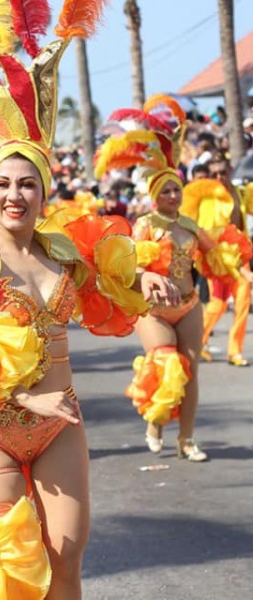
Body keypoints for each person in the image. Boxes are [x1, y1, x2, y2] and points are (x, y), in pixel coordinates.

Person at [0, 5, 177, 597]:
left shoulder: (68, 248)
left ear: (44, 190)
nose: (14, 195)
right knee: (4, 575)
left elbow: (113, 284)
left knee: (64, 565)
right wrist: (26, 396)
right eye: (2, 184)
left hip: (60, 429)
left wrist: (144, 282)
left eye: (27, 184)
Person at [96, 95, 221, 462]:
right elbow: (128, 266)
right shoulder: (145, 226)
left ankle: (187, 439)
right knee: (166, 361)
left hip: (188, 305)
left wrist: (235, 262)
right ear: (154, 196)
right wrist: (140, 274)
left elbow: (220, 254)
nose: (172, 195)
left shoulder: (190, 226)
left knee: (192, 370)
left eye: (176, 189)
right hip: (153, 309)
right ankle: (156, 421)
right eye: (165, 190)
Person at [199, 155, 253, 366]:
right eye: (215, 174)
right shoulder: (209, 202)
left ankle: (234, 351)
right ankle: (199, 341)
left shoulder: (239, 193)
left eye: (223, 172)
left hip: (241, 255)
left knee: (242, 303)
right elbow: (207, 232)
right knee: (218, 305)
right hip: (219, 260)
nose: (220, 177)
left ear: (230, 170)